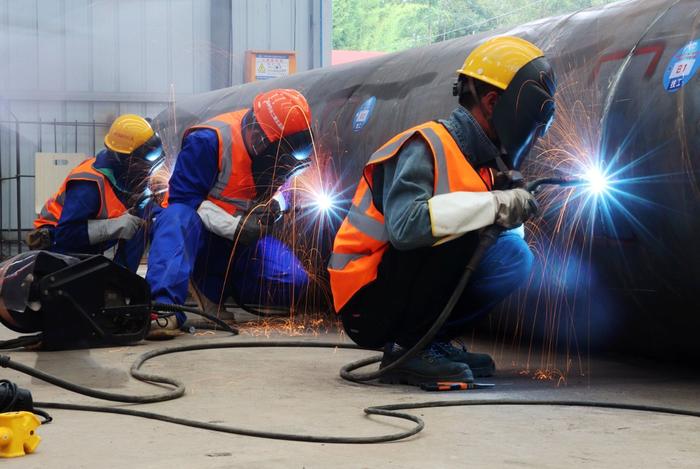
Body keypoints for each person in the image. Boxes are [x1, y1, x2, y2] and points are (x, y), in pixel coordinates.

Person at [328, 36, 557, 385]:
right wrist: (494, 205)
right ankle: (409, 349)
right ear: (494, 102)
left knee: (513, 255)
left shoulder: (485, 164)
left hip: (399, 289)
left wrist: (510, 212)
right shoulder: (427, 145)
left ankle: (429, 340)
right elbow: (407, 228)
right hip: (366, 302)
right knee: (462, 232)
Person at [146, 88, 314, 336]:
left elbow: (293, 184)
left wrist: (278, 204)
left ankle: (218, 290)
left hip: (242, 241)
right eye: (280, 153)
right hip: (200, 238)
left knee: (295, 282)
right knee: (176, 218)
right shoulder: (209, 140)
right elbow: (183, 199)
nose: (283, 161)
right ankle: (163, 307)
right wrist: (234, 227)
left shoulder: (278, 147)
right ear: (259, 135)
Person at [29, 114, 163, 272]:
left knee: (141, 222)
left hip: (86, 246)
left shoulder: (124, 176)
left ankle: (121, 282)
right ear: (126, 159)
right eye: (146, 161)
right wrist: (113, 226)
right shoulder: (88, 185)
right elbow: (65, 236)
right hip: (55, 246)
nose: (147, 169)